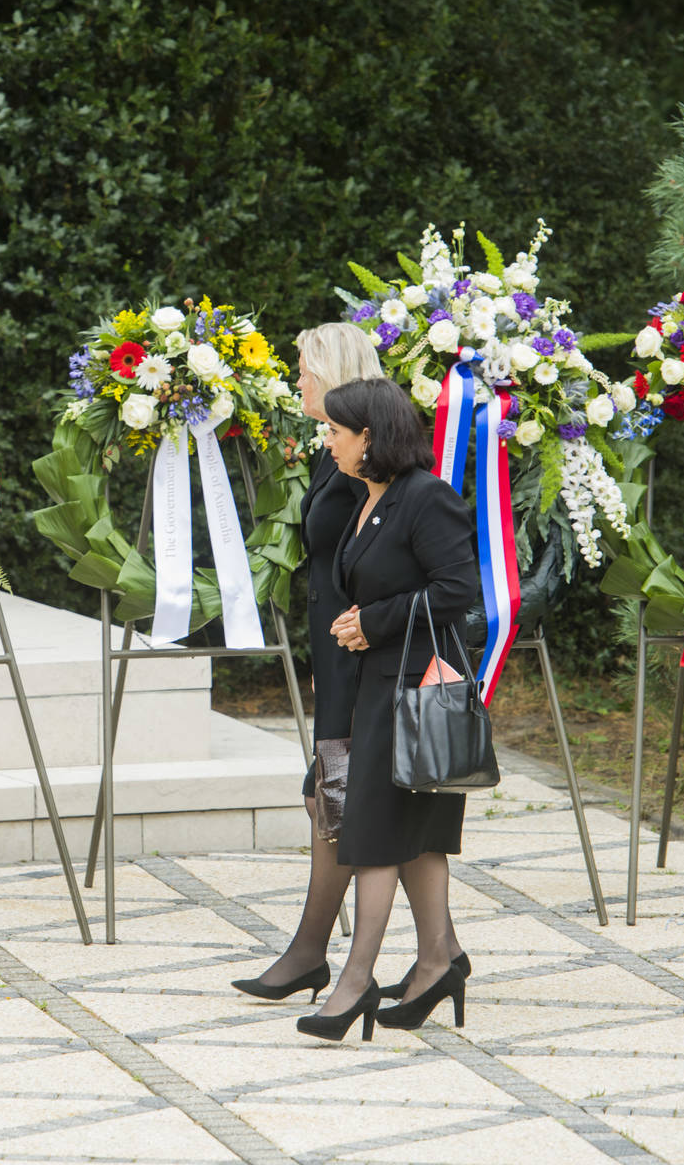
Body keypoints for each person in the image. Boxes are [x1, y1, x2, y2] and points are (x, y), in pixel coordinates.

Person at [298, 376, 479, 1041]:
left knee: (372, 830)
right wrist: (359, 624)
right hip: (376, 684)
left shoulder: (427, 498)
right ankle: (439, 960)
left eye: (338, 432)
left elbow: (457, 591)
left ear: (369, 436)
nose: (330, 441)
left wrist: (372, 621)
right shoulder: (369, 498)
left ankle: (355, 983)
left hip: (416, 692)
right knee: (412, 836)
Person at [230, 323, 379, 1005]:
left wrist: (352, 642)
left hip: (360, 650)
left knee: (339, 797)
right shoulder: (333, 449)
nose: (296, 381)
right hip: (337, 651)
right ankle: (433, 953)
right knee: (335, 796)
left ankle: (311, 954)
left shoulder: (363, 456)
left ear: (333, 372)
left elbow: (378, 559)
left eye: (303, 370)